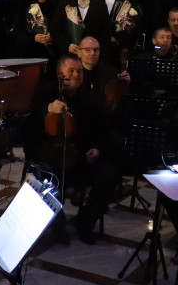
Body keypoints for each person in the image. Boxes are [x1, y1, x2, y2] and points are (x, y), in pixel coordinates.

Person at [31, 53, 120, 244]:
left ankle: (85, 220)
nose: (76, 74)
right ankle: (57, 222)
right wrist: (48, 108)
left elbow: (104, 130)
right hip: (52, 158)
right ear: (59, 73)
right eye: (70, 71)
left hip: (80, 158)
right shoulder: (45, 92)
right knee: (44, 178)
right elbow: (31, 114)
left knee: (110, 173)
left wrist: (97, 149)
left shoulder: (90, 98)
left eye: (79, 71)